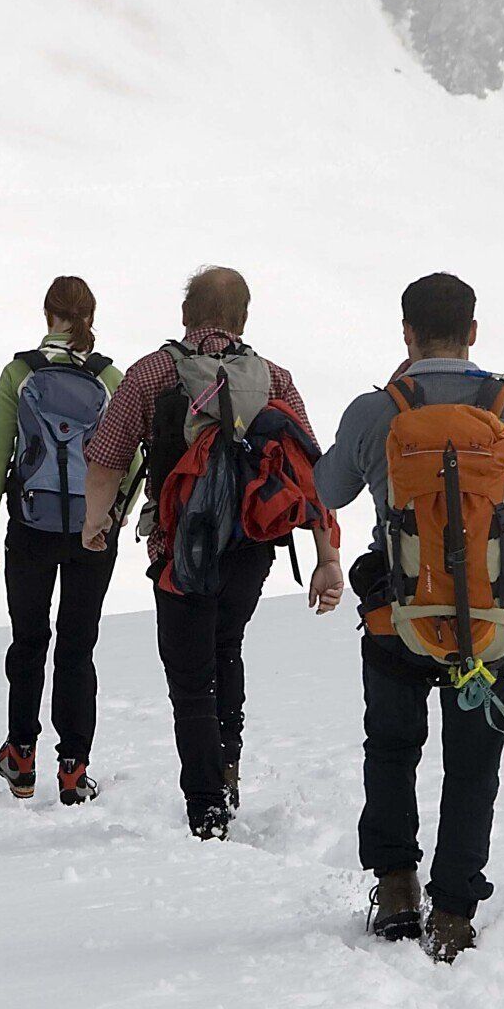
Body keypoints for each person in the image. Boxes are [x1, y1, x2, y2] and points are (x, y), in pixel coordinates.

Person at [315, 272, 504, 961]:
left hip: (397, 615)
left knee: (391, 748)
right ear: (474, 332)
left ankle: (397, 890)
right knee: (472, 765)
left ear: (407, 333)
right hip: (491, 621)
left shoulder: (376, 411)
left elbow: (326, 490)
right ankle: (454, 913)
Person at [80, 266, 343, 840]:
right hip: (252, 546)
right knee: (227, 647)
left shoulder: (151, 373)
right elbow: (311, 469)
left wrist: (95, 522)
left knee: (190, 679)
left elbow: (106, 458)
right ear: (242, 320)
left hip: (179, 548)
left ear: (185, 316)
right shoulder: (274, 379)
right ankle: (227, 771)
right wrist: (327, 558)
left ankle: (206, 807)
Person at [0, 276, 140, 805]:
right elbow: (133, 459)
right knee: (77, 646)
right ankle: (73, 769)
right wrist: (111, 516)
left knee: (28, 641)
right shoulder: (110, 377)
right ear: (91, 315)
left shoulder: (19, 373)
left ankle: (21, 755)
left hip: (30, 526)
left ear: (47, 314)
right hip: (92, 531)